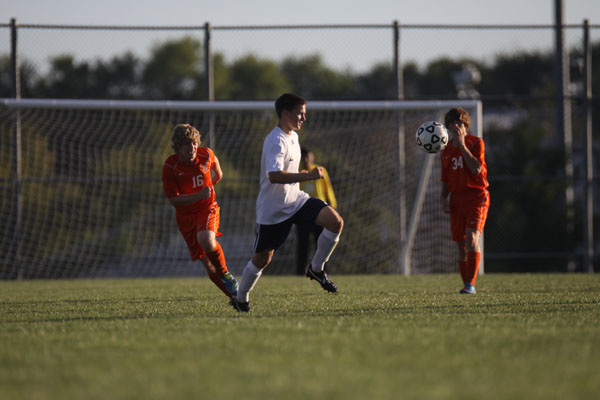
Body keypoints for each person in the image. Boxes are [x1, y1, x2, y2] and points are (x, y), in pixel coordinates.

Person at [230, 93, 344, 312]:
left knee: (335, 222)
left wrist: (300, 174)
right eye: (300, 114)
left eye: (304, 114)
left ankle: (316, 269)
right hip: (273, 209)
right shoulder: (276, 140)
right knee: (263, 258)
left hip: (296, 200)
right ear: (285, 113)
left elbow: (287, 171)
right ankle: (241, 297)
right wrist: (308, 176)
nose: (303, 118)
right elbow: (274, 175)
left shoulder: (293, 136)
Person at [162, 123, 239, 300]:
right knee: (207, 263)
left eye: (194, 143)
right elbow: (173, 199)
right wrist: (198, 194)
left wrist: (210, 186)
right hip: (186, 217)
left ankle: (226, 273)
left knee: (206, 239)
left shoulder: (206, 154)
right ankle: (235, 298)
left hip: (207, 208)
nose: (192, 147)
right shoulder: (170, 166)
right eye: (186, 144)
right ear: (178, 147)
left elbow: (218, 172)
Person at [440, 108, 490, 294]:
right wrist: (443, 198)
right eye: (452, 123)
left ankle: (470, 284)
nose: (455, 126)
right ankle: (466, 284)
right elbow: (445, 178)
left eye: (459, 123)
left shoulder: (476, 143)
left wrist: (462, 145)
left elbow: (476, 169)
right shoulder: (444, 150)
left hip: (477, 196)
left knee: (471, 239)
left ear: (466, 125)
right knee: (461, 246)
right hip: (457, 199)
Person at [296, 147, 338, 275]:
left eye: (308, 156)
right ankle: (299, 272)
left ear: (313, 157)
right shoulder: (298, 172)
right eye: (304, 157)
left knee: (322, 242)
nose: (306, 159)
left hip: (320, 212)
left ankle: (322, 270)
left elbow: (328, 188)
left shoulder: (320, 170)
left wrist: (332, 204)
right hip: (303, 211)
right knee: (303, 244)